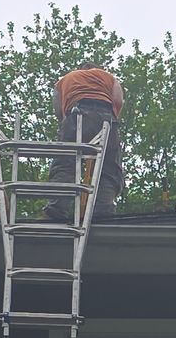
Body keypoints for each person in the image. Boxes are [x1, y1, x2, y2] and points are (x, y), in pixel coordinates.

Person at [52, 64, 126, 224]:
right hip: (106, 117)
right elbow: (118, 100)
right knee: (108, 167)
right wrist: (109, 122)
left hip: (76, 114)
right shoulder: (108, 77)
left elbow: (58, 110)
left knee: (66, 164)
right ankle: (102, 211)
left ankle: (57, 209)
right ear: (95, 69)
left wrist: (67, 125)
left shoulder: (65, 80)